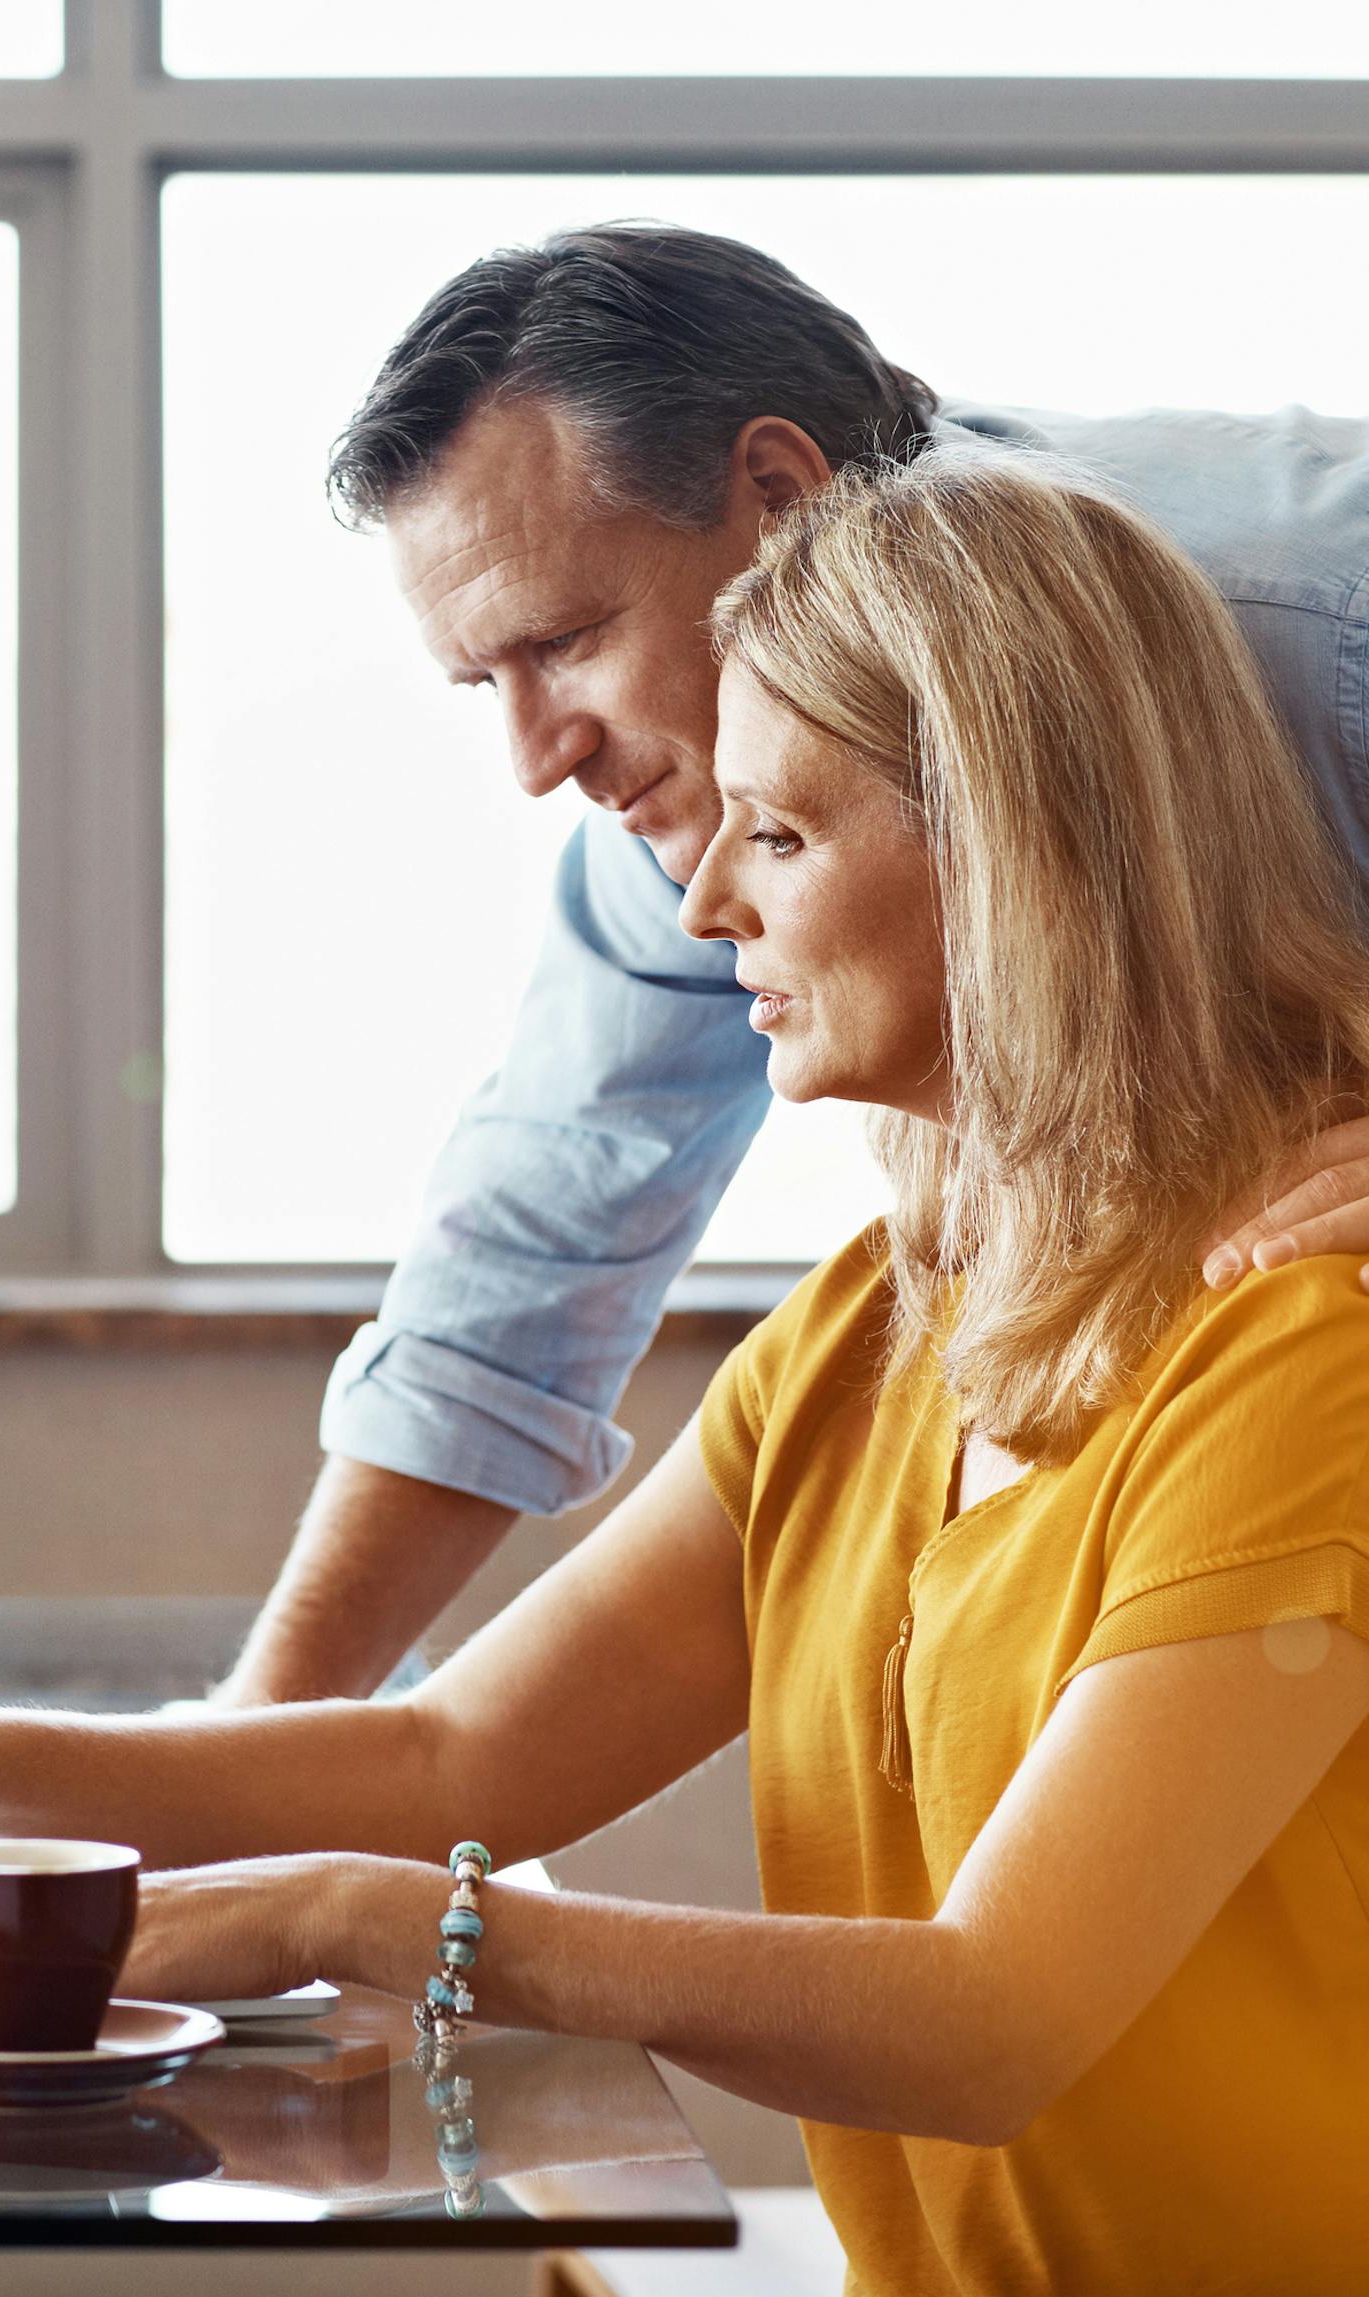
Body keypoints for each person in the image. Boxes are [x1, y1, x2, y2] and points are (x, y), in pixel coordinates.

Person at [0, 453, 1369, 2294]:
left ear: (1021, 845)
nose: (706, 899)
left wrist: (358, 1918)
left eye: (783, 835)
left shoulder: (1302, 1360)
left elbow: (995, 2016)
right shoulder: (872, 1333)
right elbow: (452, 1752)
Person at [211, 222, 1369, 1709]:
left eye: (564, 639)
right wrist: (264, 1726)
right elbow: (527, 1256)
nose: (534, 758)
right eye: (480, 683)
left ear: (776, 489)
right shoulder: (712, 784)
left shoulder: (1300, 640)